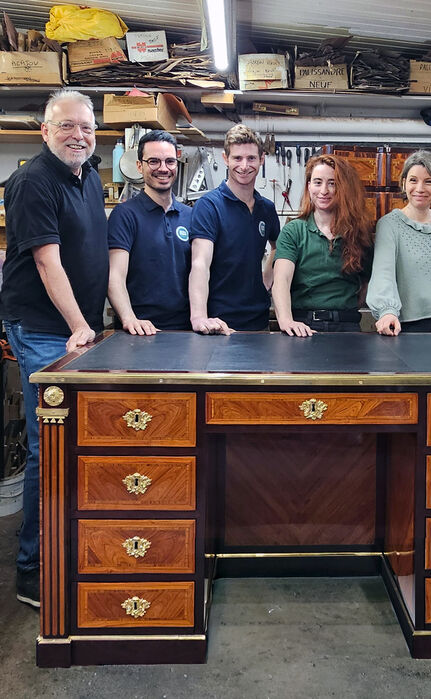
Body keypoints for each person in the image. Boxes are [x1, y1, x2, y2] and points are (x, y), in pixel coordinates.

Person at [0, 89, 109, 607]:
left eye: (86, 127)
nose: (78, 135)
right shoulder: (31, 182)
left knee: (76, 442)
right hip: (45, 329)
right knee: (50, 444)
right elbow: (47, 262)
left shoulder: (88, 177)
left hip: (78, 330)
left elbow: (92, 253)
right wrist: (81, 325)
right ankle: (33, 568)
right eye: (66, 126)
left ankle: (68, 546)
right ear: (44, 131)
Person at [366, 150, 431, 335]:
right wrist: (387, 311)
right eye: (413, 180)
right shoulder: (389, 225)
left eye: (429, 181)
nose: (420, 188)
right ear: (404, 183)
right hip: (406, 324)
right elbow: (383, 273)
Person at [188, 124, 279, 334]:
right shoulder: (209, 206)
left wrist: (266, 280)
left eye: (251, 158)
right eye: (237, 158)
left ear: (262, 159)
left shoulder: (266, 208)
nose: (244, 166)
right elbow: (200, 263)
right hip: (220, 323)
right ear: (225, 159)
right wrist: (199, 317)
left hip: (259, 321)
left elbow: (278, 247)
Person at [272, 154, 374, 336]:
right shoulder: (293, 231)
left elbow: (365, 285)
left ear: (343, 188)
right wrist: (286, 320)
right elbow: (281, 280)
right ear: (309, 186)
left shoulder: (359, 233)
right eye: (317, 182)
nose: (324, 190)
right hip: (304, 326)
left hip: (348, 327)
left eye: (332, 183)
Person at [108, 130, 192, 333]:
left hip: (186, 330)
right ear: (140, 166)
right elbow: (114, 276)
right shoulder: (124, 215)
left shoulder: (191, 215)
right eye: (154, 161)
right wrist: (129, 319)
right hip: (140, 331)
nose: (163, 168)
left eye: (170, 161)